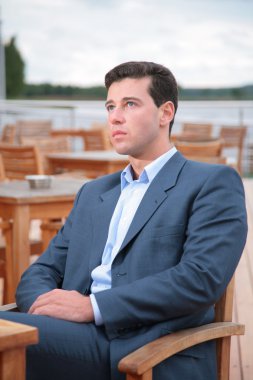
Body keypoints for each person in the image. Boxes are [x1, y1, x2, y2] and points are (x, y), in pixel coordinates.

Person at [0, 61, 247, 380]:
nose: (115, 116)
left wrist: (92, 307)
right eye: (110, 106)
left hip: (146, 349)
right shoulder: (93, 193)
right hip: (69, 335)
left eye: (130, 104)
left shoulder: (211, 183)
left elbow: (199, 279)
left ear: (165, 113)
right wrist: (45, 306)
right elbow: (43, 269)